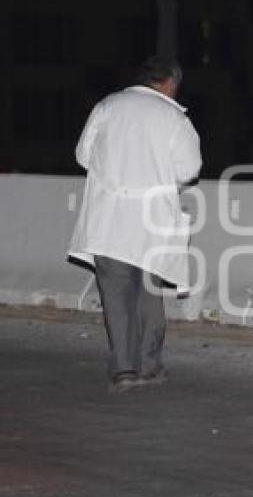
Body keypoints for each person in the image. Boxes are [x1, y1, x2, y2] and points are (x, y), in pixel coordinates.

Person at [68, 55, 202, 393]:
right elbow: (189, 169)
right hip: (151, 221)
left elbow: (83, 156)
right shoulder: (172, 117)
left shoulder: (107, 106)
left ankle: (123, 370)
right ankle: (149, 365)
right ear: (170, 83)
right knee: (148, 296)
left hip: (108, 219)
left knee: (116, 297)